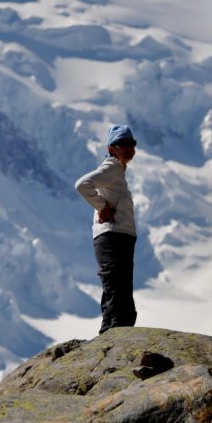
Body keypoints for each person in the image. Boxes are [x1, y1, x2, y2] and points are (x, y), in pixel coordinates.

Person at [75, 124, 138, 333]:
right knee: (116, 284)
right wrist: (103, 206)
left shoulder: (118, 170)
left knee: (117, 284)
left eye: (132, 144)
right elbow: (82, 184)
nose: (129, 148)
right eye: (124, 144)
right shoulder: (111, 167)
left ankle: (110, 331)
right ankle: (114, 332)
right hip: (112, 235)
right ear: (112, 148)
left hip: (120, 236)